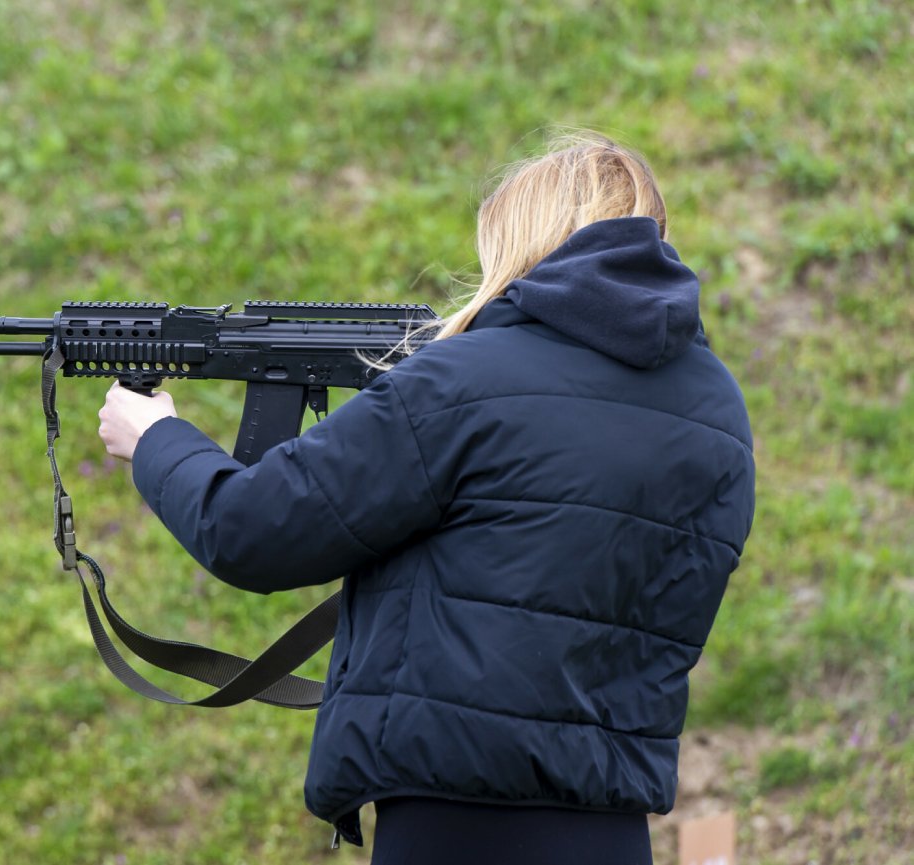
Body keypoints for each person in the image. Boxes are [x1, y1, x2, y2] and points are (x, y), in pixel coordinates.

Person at [97, 132, 756, 864]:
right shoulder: (717, 412)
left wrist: (154, 436)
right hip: (613, 829)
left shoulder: (466, 380)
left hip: (452, 830)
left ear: (521, 236)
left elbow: (250, 527)